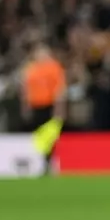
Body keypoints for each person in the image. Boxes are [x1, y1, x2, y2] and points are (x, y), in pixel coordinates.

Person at [24, 43, 67, 171]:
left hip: (49, 105)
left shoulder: (54, 68)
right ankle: (43, 160)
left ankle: (50, 160)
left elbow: (60, 89)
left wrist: (59, 106)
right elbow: (26, 89)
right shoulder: (31, 68)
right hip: (35, 105)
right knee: (40, 135)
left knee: (51, 135)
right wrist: (26, 105)